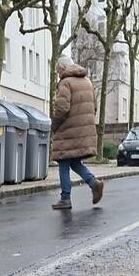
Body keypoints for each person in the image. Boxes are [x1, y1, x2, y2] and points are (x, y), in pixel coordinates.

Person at [49, 56, 104, 210]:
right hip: (84, 129)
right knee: (74, 162)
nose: (57, 72)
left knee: (63, 162)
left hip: (68, 130)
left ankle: (65, 198)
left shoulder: (65, 82)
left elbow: (62, 109)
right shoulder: (87, 81)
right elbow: (94, 108)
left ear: (62, 68)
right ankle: (94, 184)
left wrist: (54, 126)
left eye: (58, 69)